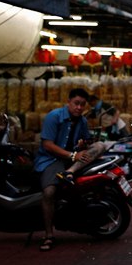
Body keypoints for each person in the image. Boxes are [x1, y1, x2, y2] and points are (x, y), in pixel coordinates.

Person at [33, 88, 105, 251]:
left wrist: (85, 144)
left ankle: (70, 172)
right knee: (49, 193)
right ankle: (48, 234)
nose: (79, 108)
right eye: (76, 104)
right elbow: (47, 144)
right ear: (69, 102)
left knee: (100, 146)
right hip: (52, 160)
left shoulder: (82, 121)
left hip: (71, 162)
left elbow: (86, 142)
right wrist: (73, 155)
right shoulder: (54, 116)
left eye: (82, 105)